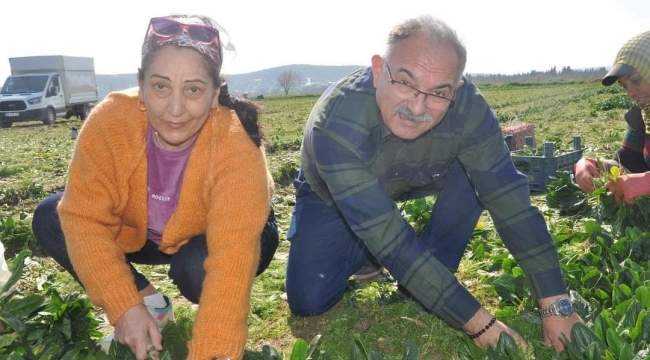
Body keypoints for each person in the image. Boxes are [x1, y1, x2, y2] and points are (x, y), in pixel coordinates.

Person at [285, 14, 581, 352]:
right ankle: (364, 250)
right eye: (406, 82)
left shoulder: (470, 109)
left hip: (416, 176)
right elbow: (392, 241)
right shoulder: (336, 124)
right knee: (309, 298)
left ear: (456, 88)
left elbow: (509, 201)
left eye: (439, 92)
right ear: (379, 70)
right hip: (336, 196)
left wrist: (555, 304)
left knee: (479, 174)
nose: (417, 105)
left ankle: (430, 269)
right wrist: (479, 323)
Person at [32, 14, 278, 360]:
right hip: (146, 231)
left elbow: (232, 254)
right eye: (161, 86)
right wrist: (124, 306)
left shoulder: (236, 142)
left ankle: (179, 292)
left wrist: (214, 348)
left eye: (193, 89)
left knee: (196, 270)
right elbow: (84, 218)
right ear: (141, 84)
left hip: (223, 236)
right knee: (51, 217)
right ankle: (151, 305)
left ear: (215, 93)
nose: (175, 110)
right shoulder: (110, 122)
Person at [574, 30, 650, 205]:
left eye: (636, 80)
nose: (630, 92)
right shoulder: (642, 115)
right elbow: (628, 161)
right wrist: (596, 165)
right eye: (624, 86)